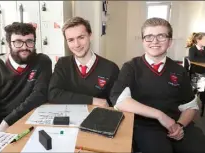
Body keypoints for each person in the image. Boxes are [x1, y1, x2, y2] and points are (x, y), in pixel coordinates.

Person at [110, 17, 205, 153]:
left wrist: (179, 125)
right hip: (145, 126)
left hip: (177, 123)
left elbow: (190, 106)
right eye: (149, 36)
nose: (155, 41)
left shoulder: (179, 70)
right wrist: (160, 116)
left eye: (161, 36)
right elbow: (120, 101)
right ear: (143, 41)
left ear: (170, 42)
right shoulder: (131, 67)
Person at [0, 22, 52, 131]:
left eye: (29, 41)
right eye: (18, 42)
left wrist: (7, 121)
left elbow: (39, 95)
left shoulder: (42, 61)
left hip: (24, 122)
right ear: (8, 44)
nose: (25, 47)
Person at [48, 17, 119, 107]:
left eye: (81, 37)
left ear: (90, 36)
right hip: (69, 118)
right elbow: (53, 94)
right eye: (71, 40)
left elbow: (118, 102)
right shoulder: (62, 64)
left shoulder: (110, 68)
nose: (76, 44)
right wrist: (92, 100)